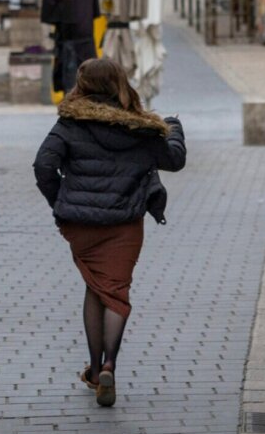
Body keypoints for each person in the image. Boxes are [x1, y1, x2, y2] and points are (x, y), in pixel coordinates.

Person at [32, 57, 185, 408]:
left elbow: (43, 165)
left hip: (81, 225)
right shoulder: (140, 128)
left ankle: (95, 367)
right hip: (124, 223)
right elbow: (174, 159)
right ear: (120, 84)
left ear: (83, 85)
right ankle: (109, 367)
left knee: (95, 286)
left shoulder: (70, 123)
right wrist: (173, 127)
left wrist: (62, 201)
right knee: (115, 291)